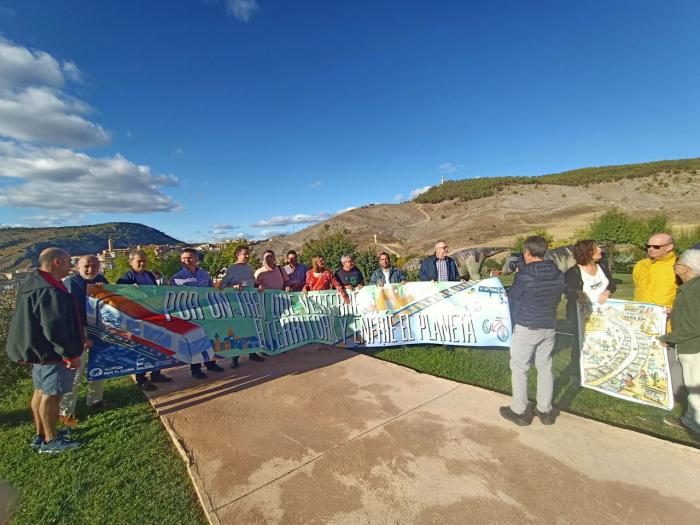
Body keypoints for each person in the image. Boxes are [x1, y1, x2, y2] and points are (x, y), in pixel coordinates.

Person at [5, 248, 84, 453]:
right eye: (68, 261)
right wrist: (69, 354)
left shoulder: (34, 282)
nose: (71, 265)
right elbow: (54, 326)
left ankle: (41, 435)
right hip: (52, 354)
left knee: (40, 391)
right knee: (52, 395)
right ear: (57, 262)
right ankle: (51, 441)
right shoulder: (49, 289)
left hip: (39, 352)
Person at [500, 236, 565, 427]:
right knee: (545, 366)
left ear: (527, 252)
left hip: (527, 325)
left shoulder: (525, 274)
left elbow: (513, 294)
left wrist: (519, 275)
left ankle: (519, 410)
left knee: (520, 368)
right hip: (549, 325)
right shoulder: (558, 273)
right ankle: (545, 410)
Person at [59, 255, 109, 422]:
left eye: (95, 265)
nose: (91, 269)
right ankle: (66, 412)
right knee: (75, 372)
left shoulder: (101, 279)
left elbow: (110, 302)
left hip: (98, 329)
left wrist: (104, 290)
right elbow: (71, 314)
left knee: (98, 365)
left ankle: (95, 400)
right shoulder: (71, 282)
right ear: (78, 267)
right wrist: (82, 336)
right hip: (77, 331)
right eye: (87, 266)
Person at [633, 232, 682, 392]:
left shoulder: (680, 266)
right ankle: (644, 389)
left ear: (669, 247)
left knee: (667, 363)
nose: (650, 249)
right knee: (643, 360)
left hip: (667, 326)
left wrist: (674, 310)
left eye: (656, 246)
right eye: (648, 246)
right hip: (641, 324)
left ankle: (671, 394)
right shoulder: (641, 265)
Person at [117, 250, 172, 390]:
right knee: (141, 349)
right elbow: (119, 296)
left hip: (153, 316)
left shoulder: (149, 275)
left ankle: (156, 373)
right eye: (139, 261)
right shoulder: (125, 279)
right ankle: (141, 379)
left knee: (157, 346)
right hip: (137, 319)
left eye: (145, 261)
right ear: (131, 262)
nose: (143, 263)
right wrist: (128, 290)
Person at [659, 249, 700, 435]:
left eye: (677, 264)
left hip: (693, 348)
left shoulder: (691, 291)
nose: (674, 267)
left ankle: (694, 424)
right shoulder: (693, 288)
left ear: (686, 268)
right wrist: (672, 313)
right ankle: (690, 418)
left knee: (695, 387)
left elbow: (694, 326)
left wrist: (668, 338)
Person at [564, 240, 617, 374]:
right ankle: (578, 373)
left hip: (603, 314)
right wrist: (577, 293)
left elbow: (612, 284)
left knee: (604, 341)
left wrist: (607, 292)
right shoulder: (573, 272)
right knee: (581, 343)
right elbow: (566, 289)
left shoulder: (603, 266)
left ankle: (602, 368)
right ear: (586, 252)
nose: (600, 250)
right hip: (582, 317)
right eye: (596, 248)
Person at [172, 248, 225, 378]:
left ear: (196, 259)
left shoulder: (204, 275)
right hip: (190, 313)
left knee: (209, 338)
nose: (186, 260)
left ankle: (210, 363)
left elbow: (211, 290)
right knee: (194, 341)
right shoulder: (176, 278)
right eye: (183, 258)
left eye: (190, 258)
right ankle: (195, 369)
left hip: (206, 312)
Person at [219, 245, 265, 367]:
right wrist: (233, 287)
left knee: (252, 328)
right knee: (237, 331)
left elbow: (252, 283)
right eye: (245, 254)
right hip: (236, 305)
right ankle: (235, 358)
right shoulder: (231, 268)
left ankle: (253, 353)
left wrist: (258, 286)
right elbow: (222, 287)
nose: (247, 256)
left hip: (250, 304)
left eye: (248, 254)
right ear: (237, 255)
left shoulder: (250, 268)